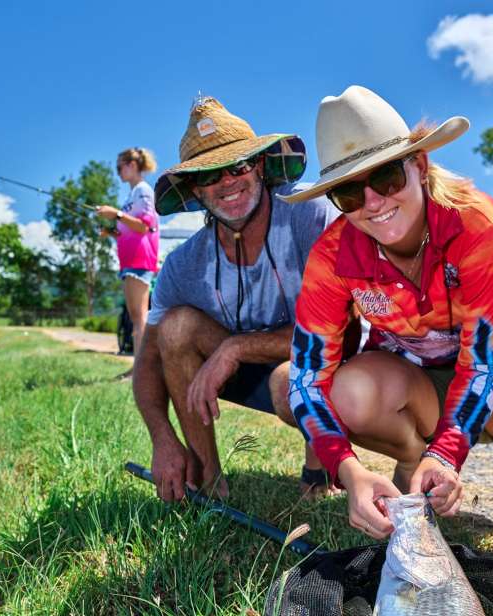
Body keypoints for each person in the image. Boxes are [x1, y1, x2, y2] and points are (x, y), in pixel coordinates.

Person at [283, 86, 493, 566]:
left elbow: (484, 360)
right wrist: (349, 470)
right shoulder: (332, 255)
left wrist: (449, 453)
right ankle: (411, 462)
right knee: (348, 391)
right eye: (350, 192)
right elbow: (306, 377)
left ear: (419, 166)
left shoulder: (479, 223)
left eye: (386, 176)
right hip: (411, 389)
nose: (373, 202)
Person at [133, 95, 337, 502]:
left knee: (290, 383)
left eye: (239, 165)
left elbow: (336, 332)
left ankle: (319, 469)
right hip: (239, 372)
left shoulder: (310, 215)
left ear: (260, 166)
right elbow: (147, 362)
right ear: (195, 189)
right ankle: (208, 480)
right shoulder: (182, 265)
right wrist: (162, 438)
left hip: (319, 364)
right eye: (209, 175)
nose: (227, 182)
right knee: (174, 329)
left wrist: (237, 346)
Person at [97, 147, 160, 354]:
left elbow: (144, 226)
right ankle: (137, 369)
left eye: (119, 167)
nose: (118, 172)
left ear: (132, 165)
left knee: (139, 317)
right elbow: (132, 229)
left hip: (140, 261)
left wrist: (115, 214)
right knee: (135, 318)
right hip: (129, 262)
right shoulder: (133, 195)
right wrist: (112, 232)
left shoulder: (143, 190)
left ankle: (140, 371)